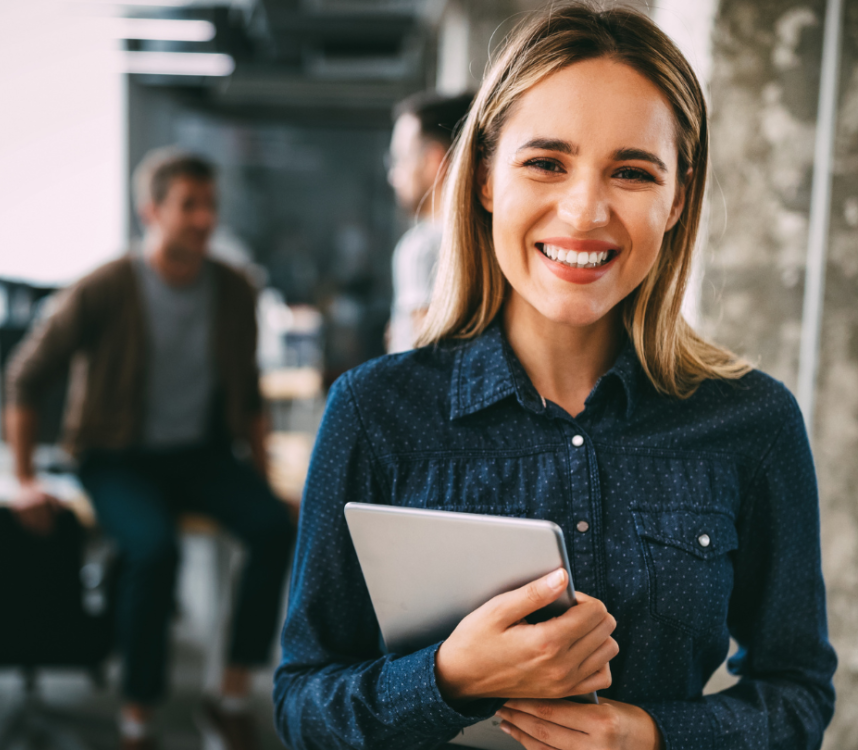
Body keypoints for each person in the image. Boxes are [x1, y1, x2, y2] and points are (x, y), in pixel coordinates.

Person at [274, 5, 836, 750]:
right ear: (481, 179)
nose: (584, 210)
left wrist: (651, 736)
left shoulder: (753, 422)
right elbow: (303, 703)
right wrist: (444, 679)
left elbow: (797, 697)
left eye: (632, 172)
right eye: (546, 162)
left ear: (676, 199)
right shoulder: (376, 411)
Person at [6, 148, 295, 750]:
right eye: (189, 205)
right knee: (153, 550)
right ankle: (137, 717)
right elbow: (26, 377)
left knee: (272, 526)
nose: (203, 219)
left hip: (200, 454)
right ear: (151, 211)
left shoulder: (235, 290)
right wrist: (23, 477)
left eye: (209, 205)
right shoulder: (106, 286)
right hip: (116, 456)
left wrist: (263, 477)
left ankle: (231, 694)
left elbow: (247, 397)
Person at [386, 91, 474, 353]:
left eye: (399, 159)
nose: (393, 175)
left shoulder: (421, 248)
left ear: (434, 160)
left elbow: (426, 356)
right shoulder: (487, 238)